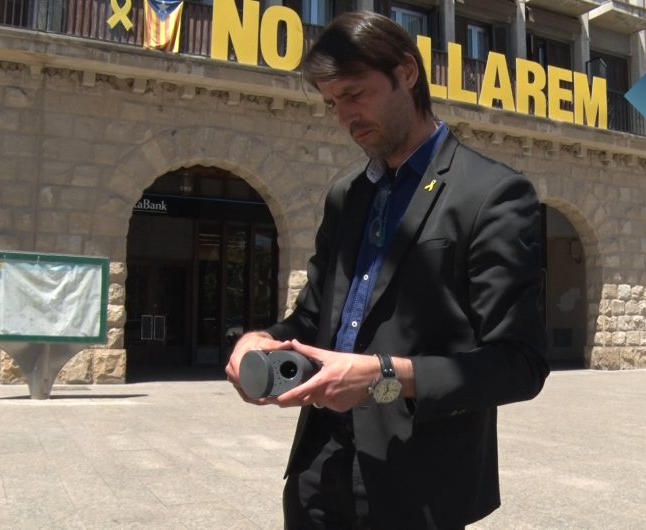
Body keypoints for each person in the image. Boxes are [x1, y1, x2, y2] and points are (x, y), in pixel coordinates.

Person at [225, 10, 549, 529]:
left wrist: (382, 376)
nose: (345, 117)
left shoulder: (491, 194)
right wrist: (260, 340)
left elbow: (519, 364)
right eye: (333, 104)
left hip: (417, 484)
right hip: (318, 471)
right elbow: (312, 321)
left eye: (355, 94)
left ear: (407, 72)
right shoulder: (347, 196)